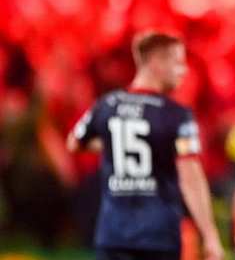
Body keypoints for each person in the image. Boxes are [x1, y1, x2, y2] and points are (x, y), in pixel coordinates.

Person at [67, 31, 223, 260]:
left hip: (113, 236)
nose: (183, 71)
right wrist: (210, 234)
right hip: (158, 237)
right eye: (177, 63)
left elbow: (74, 142)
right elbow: (190, 175)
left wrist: (116, 143)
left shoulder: (107, 105)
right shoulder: (176, 115)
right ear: (156, 63)